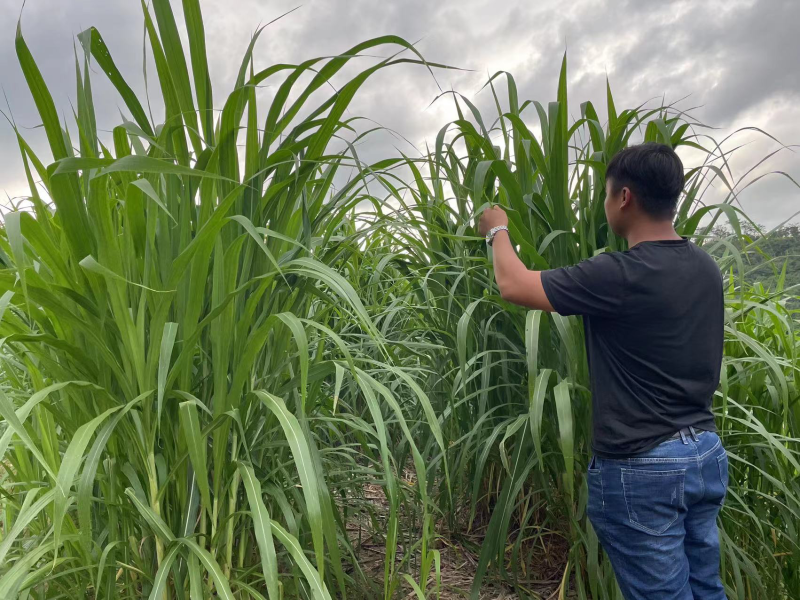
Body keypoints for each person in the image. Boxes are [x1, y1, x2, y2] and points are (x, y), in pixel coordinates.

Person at [478, 142, 728, 600]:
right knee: (705, 588)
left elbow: (513, 284)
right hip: (704, 456)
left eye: (607, 193)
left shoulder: (618, 274)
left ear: (625, 197)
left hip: (644, 465)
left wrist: (497, 230)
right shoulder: (705, 267)